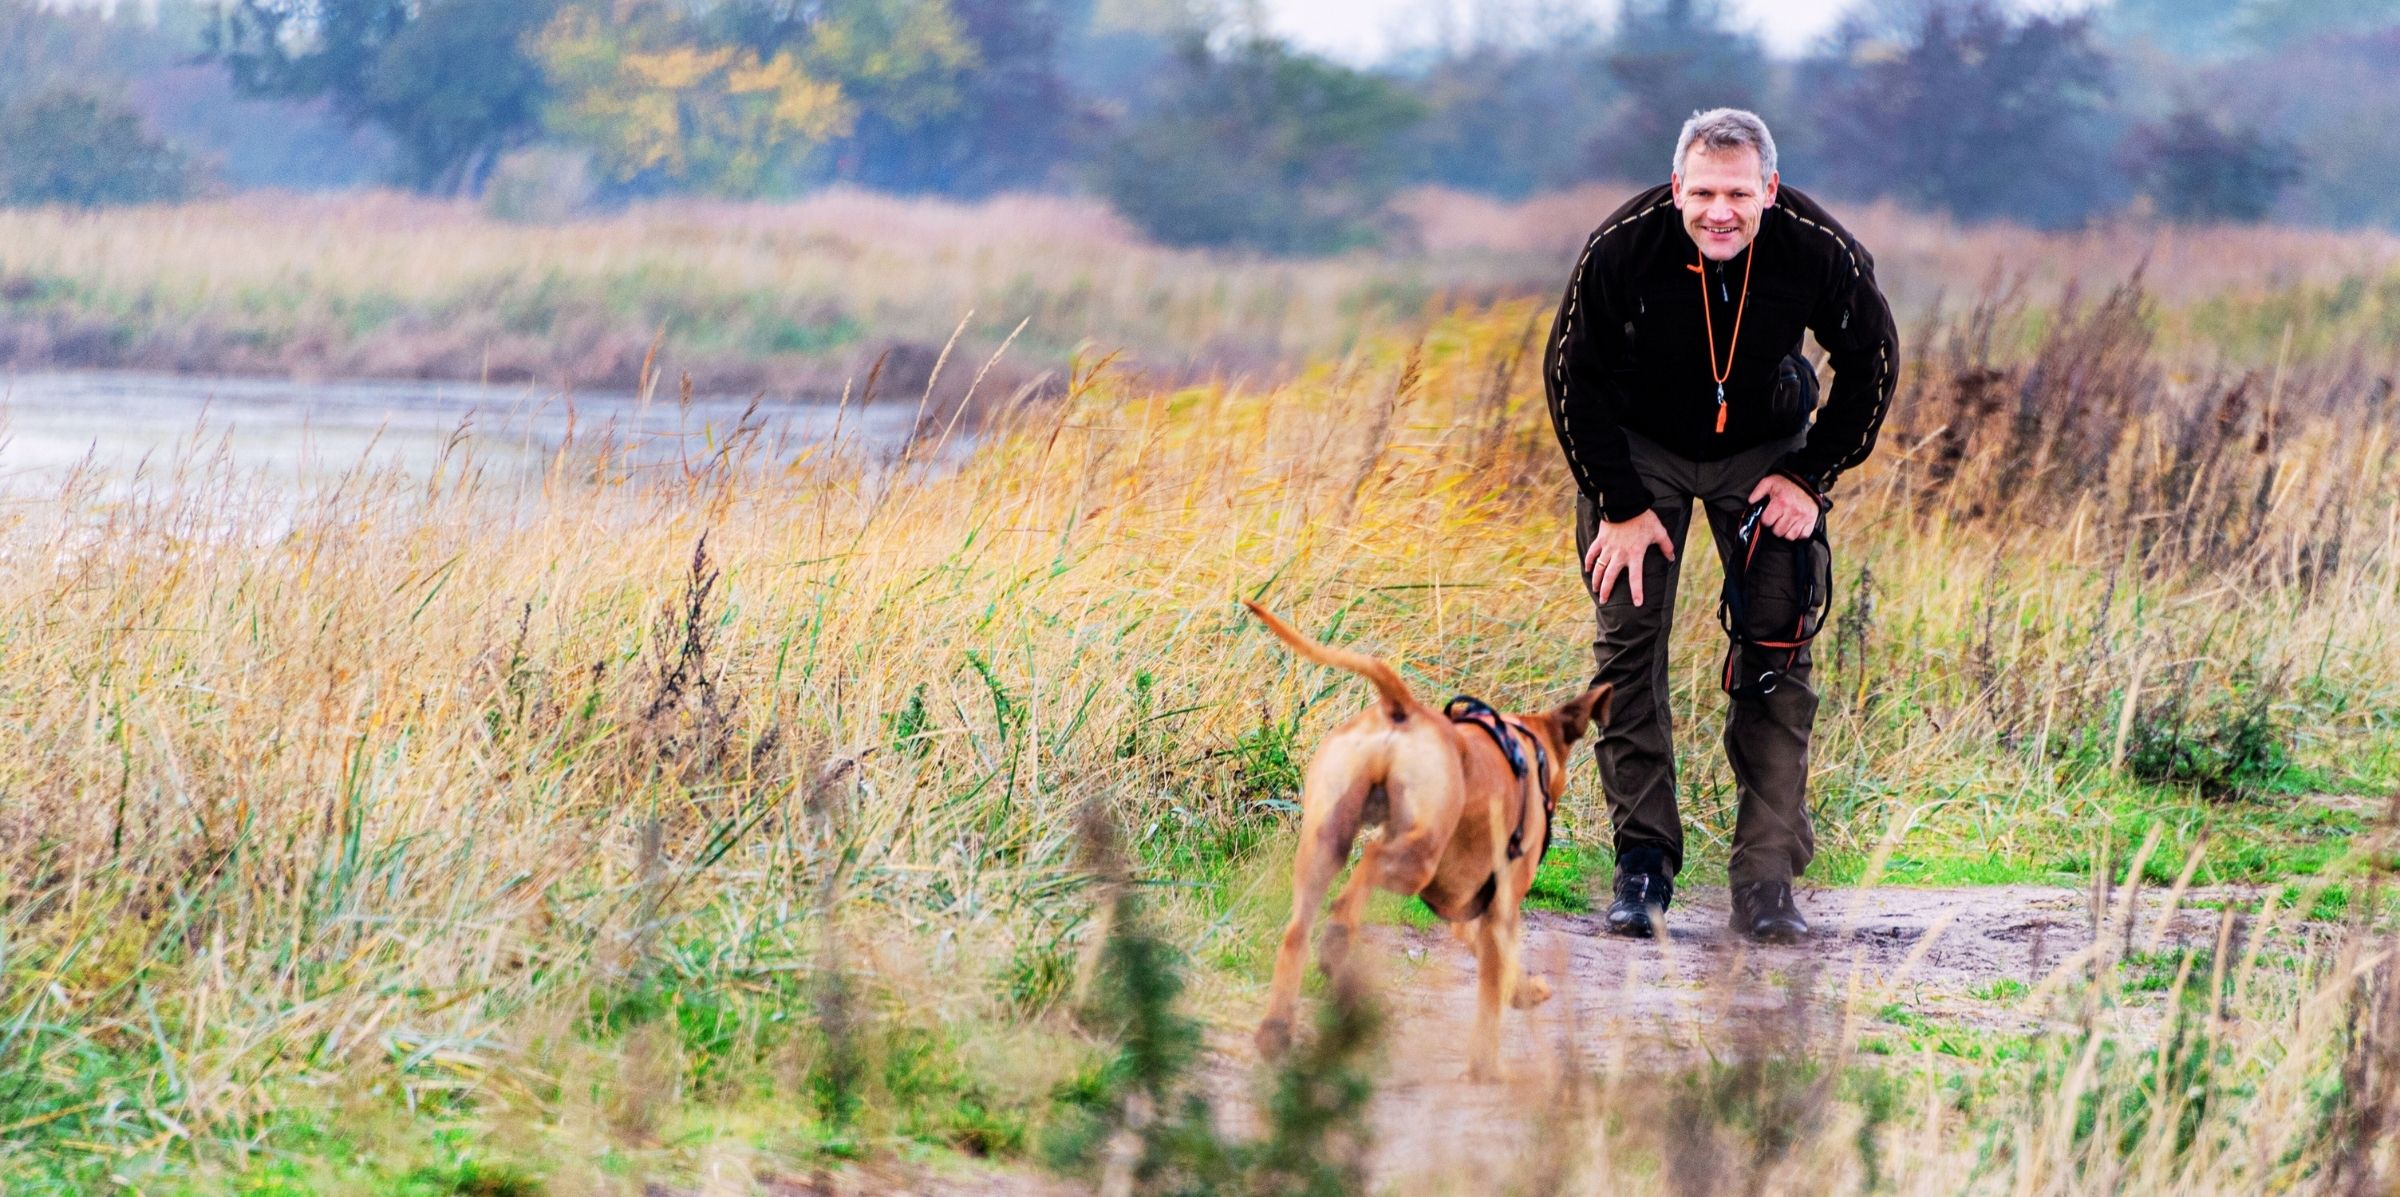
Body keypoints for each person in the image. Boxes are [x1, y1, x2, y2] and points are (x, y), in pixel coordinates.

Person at [1543, 108, 1897, 943]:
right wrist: (1620, 505)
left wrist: (1810, 476)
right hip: (1639, 452)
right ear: (1677, 188)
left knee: (1777, 648)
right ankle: (1642, 864)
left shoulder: (1819, 248)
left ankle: (1766, 878)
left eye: (1738, 193)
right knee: (1628, 649)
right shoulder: (1621, 246)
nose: (1720, 212)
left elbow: (1873, 361)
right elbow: (1572, 378)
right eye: (1703, 193)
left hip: (1764, 450)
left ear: (1769, 190)